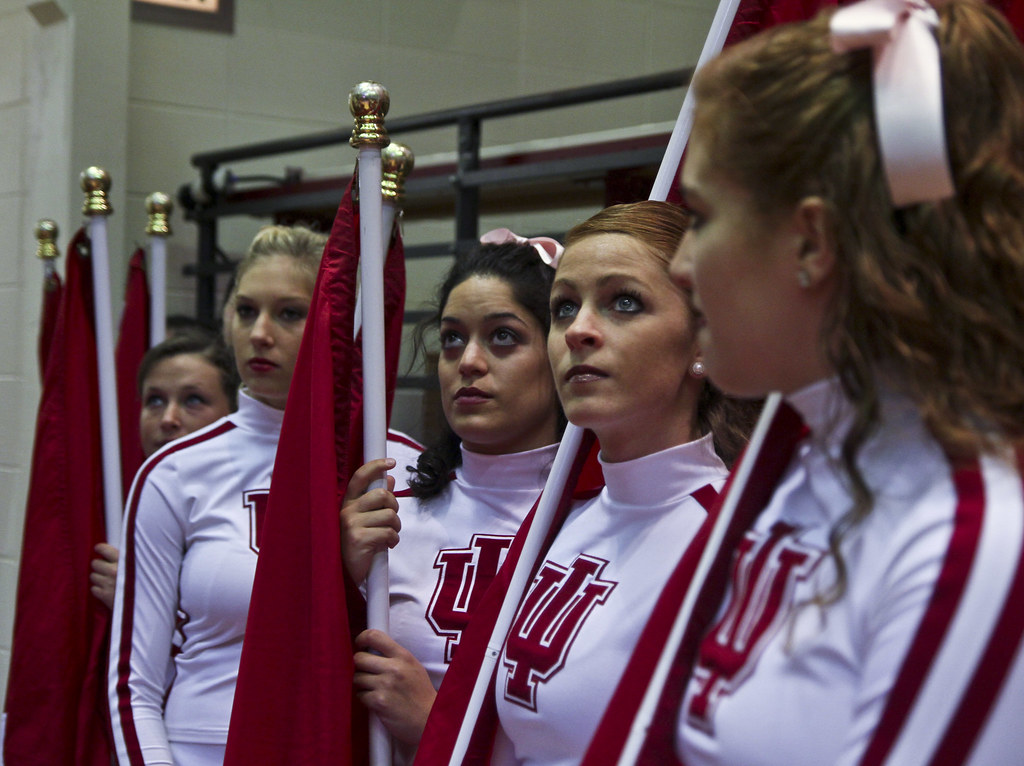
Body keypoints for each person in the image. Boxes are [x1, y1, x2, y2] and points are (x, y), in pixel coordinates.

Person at [662, 1, 1024, 763]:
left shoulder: (964, 539)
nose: (680, 266)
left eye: (703, 216)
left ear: (813, 242)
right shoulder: (803, 471)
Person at [414, 201, 757, 765]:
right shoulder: (559, 521)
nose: (578, 332)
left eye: (624, 302)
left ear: (703, 339)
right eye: (564, 307)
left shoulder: (731, 544)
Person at [340, 232, 566, 762]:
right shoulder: (391, 508)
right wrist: (343, 582)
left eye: (503, 337)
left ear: (560, 350)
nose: (468, 361)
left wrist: (434, 727)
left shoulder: (596, 516)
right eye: (451, 338)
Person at [108, 224, 327, 765]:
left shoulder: (394, 465)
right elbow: (134, 686)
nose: (259, 333)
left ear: (333, 319)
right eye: (246, 310)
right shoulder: (174, 472)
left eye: (289, 313)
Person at [90, 331, 239, 609]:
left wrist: (147, 601)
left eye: (193, 400)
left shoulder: (255, 515)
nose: (168, 419)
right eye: (155, 401)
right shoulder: (117, 507)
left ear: (234, 413)